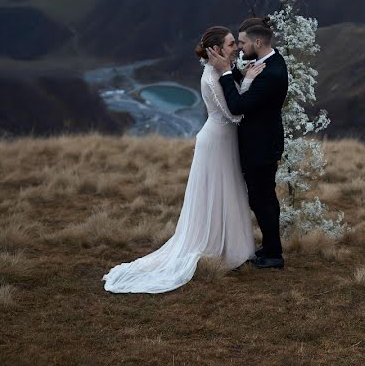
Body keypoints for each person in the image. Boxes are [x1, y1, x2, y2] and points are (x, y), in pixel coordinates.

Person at [102, 26, 265, 293]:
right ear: (216, 50)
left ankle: (232, 247)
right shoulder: (212, 78)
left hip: (223, 141)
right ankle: (220, 247)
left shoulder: (218, 72)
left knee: (227, 192)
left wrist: (240, 75)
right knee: (218, 193)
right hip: (217, 142)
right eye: (231, 43)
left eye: (236, 43)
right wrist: (247, 82)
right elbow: (234, 114)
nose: (235, 47)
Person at [207, 16, 289, 269]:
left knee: (262, 199)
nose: (240, 48)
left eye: (242, 42)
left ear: (257, 41)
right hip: (262, 142)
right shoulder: (271, 62)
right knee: (262, 197)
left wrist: (226, 73)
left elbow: (238, 106)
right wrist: (243, 77)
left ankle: (274, 255)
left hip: (261, 146)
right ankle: (271, 247)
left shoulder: (270, 74)